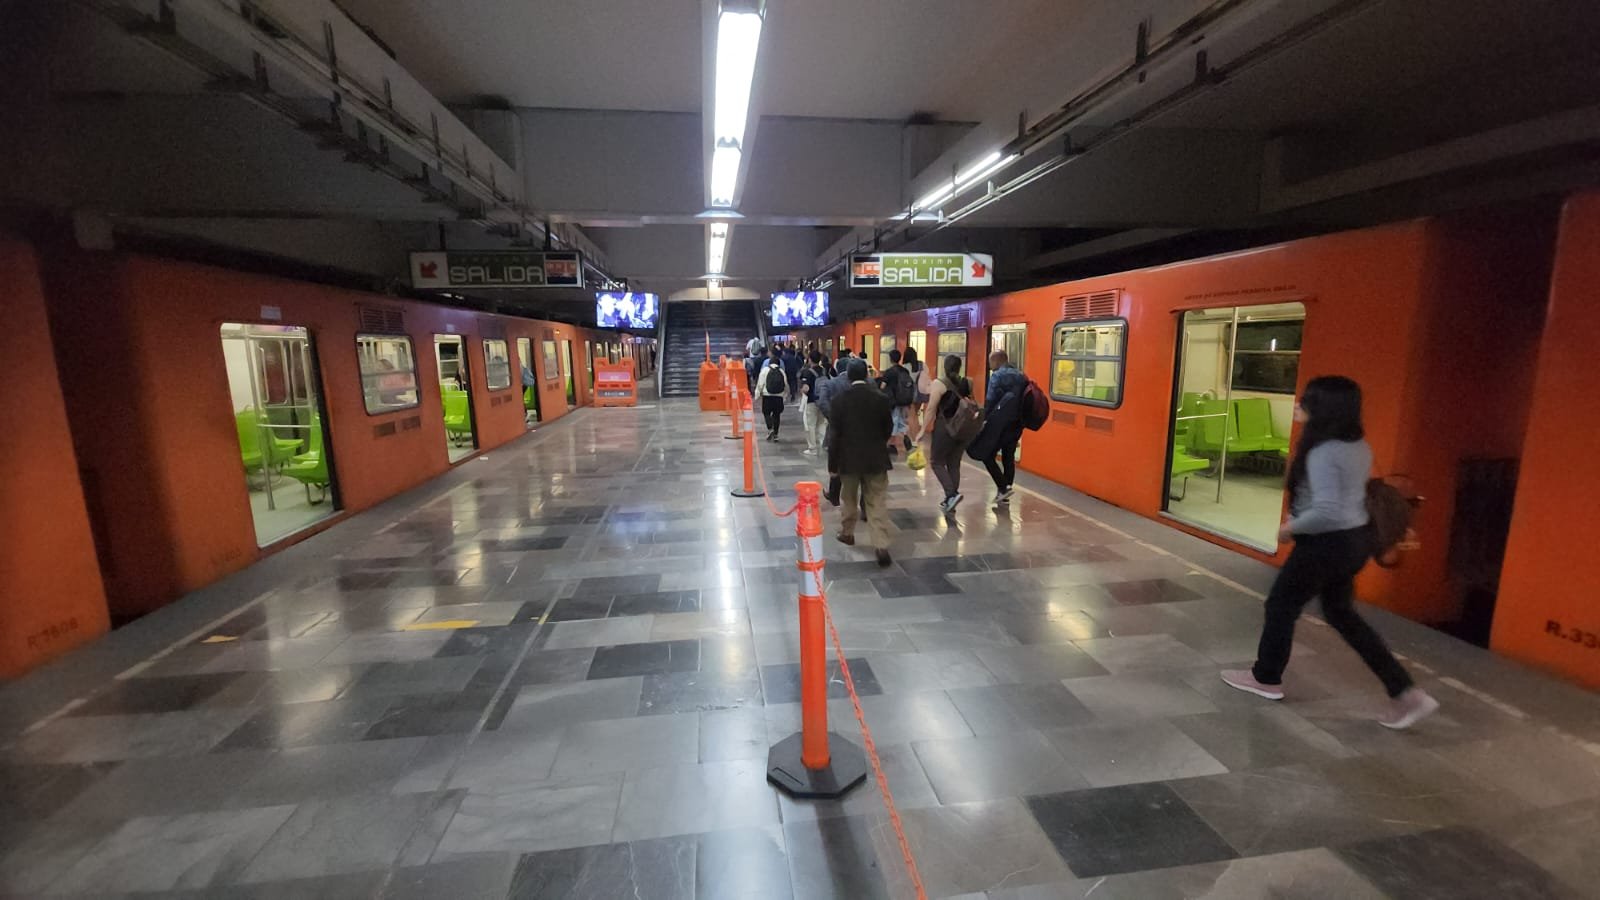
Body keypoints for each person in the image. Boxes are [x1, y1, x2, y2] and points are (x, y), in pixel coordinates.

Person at [1222, 376, 1439, 730]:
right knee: (1341, 614)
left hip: (1326, 544)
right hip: (1354, 541)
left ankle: (1266, 678)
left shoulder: (1323, 452)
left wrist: (1290, 529)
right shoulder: (1357, 446)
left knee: (1281, 606)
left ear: (1323, 408)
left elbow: (1327, 511)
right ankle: (1405, 692)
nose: (1298, 405)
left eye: (1306, 400)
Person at [829, 359, 894, 566]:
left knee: (848, 498)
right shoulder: (881, 399)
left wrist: (832, 465)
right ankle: (881, 544)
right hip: (876, 459)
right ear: (867, 375)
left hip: (848, 460)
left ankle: (847, 533)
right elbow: (888, 428)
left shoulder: (839, 400)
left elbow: (834, 436)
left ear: (848, 376)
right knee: (876, 501)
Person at [916, 354, 973, 513]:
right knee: (954, 463)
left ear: (945, 366)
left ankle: (951, 494)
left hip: (945, 427)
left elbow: (931, 408)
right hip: (962, 428)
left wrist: (922, 430)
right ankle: (951, 499)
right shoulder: (968, 382)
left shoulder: (939, 384)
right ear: (959, 367)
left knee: (936, 462)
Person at [975, 350, 1026, 504]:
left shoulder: (997, 376)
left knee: (987, 455)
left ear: (997, 361)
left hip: (1000, 425)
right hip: (1017, 424)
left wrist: (983, 420)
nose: (989, 366)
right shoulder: (1021, 375)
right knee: (1008, 457)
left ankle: (1003, 488)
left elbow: (990, 400)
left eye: (990, 362)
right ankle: (1005, 491)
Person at [814, 359, 855, 505]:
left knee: (836, 457)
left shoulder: (830, 384)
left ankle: (834, 494)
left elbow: (822, 402)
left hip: (837, 428)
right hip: (859, 428)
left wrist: (833, 418)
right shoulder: (864, 382)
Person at [877, 349, 914, 456]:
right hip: (904, 400)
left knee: (893, 421)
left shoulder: (889, 372)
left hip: (893, 402)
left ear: (890, 359)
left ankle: (891, 445)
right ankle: (906, 440)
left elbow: (882, 386)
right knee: (901, 420)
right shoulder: (905, 371)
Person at [799, 351, 825, 456]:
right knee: (822, 423)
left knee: (811, 425)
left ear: (809, 359)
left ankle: (812, 448)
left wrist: (802, 390)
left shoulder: (808, 372)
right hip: (823, 401)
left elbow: (806, 388)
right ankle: (823, 444)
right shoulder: (824, 370)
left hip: (812, 401)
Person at [904, 346, 928, 452]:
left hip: (910, 394)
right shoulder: (922, 364)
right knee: (915, 417)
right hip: (921, 394)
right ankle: (917, 437)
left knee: (911, 417)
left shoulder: (905, 367)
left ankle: (915, 439)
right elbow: (926, 376)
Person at [758, 356, 787, 441]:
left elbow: (760, 383)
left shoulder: (765, 370)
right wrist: (785, 395)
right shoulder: (781, 371)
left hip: (767, 395)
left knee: (766, 412)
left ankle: (770, 428)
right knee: (777, 415)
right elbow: (785, 384)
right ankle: (776, 434)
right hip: (779, 396)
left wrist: (758, 393)